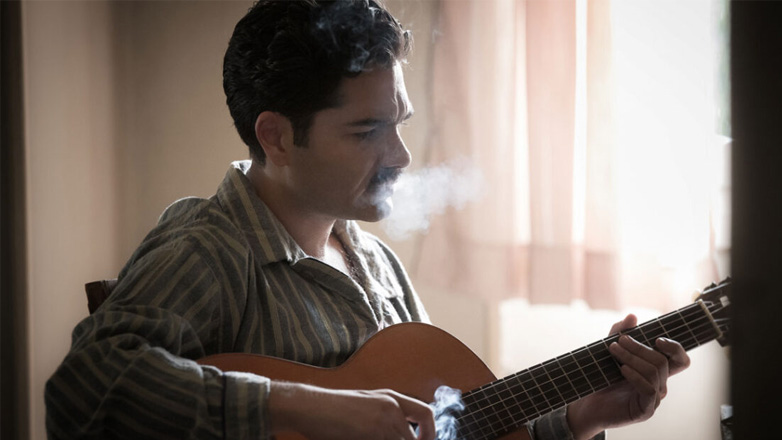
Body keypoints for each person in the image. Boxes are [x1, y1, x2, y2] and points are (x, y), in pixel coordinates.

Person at [45, 1, 690, 439]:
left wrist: (578, 417)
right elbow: (82, 388)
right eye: (367, 131)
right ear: (276, 137)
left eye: (398, 123)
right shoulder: (209, 248)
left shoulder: (376, 265)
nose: (400, 156)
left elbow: (446, 427)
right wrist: (317, 410)